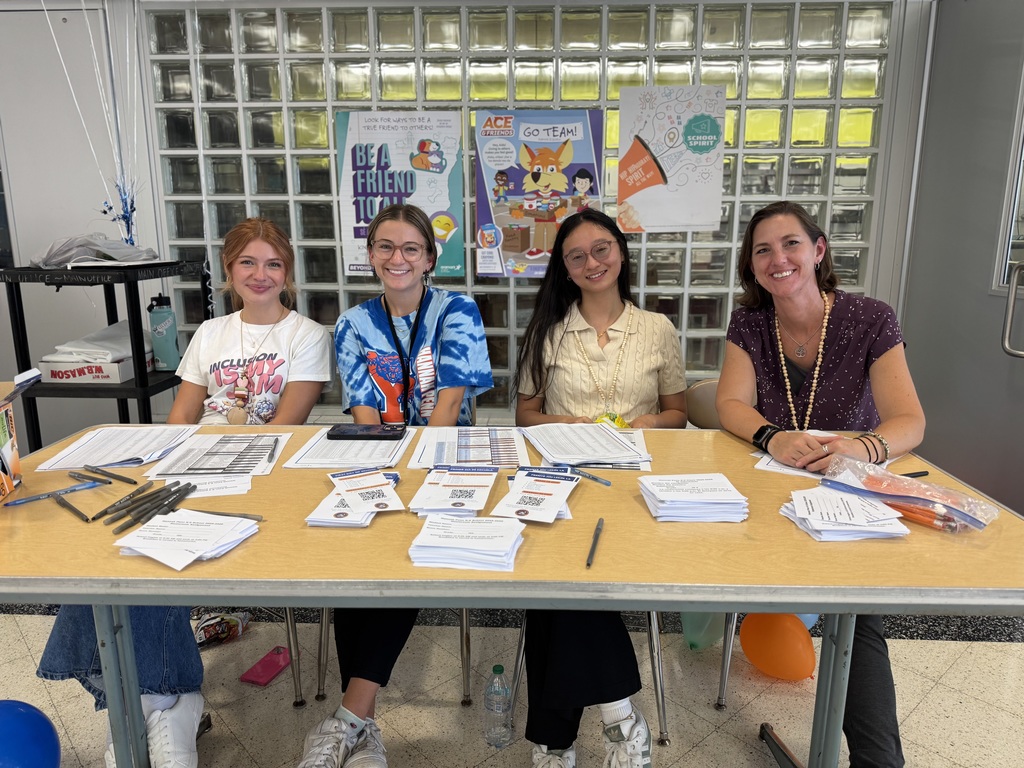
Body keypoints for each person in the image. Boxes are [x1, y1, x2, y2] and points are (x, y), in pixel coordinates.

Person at [38, 217, 331, 768]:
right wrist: (168, 468)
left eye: (273, 264)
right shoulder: (209, 334)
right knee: (115, 545)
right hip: (193, 469)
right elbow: (179, 422)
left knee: (156, 544)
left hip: (263, 476)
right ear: (229, 270)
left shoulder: (308, 336)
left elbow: (284, 431)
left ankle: (158, 701)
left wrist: (204, 453)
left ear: (288, 273)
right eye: (248, 262)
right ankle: (161, 702)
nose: (260, 274)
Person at [716, 200, 926, 768]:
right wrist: (772, 437)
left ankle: (879, 762)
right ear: (751, 265)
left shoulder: (870, 318)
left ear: (818, 250)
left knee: (855, 617)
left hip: (842, 490)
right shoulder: (750, 322)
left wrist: (862, 447)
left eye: (790, 244)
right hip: (767, 488)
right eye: (762, 250)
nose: (777, 259)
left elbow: (909, 420)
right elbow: (729, 403)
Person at [298, 203, 492, 768]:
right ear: (371, 256)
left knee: (403, 551)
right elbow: (363, 411)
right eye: (385, 246)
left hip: (448, 464)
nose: (397, 258)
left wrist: (414, 476)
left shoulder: (457, 310)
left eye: (410, 248)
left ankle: (350, 718)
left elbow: (451, 402)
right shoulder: (353, 325)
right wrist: (384, 478)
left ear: (430, 258)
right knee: (355, 550)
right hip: (381, 458)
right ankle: (365, 728)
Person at [514, 208, 687, 768]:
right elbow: (525, 415)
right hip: (560, 481)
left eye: (602, 249)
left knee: (557, 586)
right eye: (577, 255)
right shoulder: (549, 330)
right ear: (564, 268)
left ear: (621, 253)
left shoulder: (657, 328)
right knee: (558, 574)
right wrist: (572, 429)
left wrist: (647, 427)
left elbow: (677, 414)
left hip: (635, 488)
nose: (592, 262)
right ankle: (619, 717)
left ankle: (553, 740)